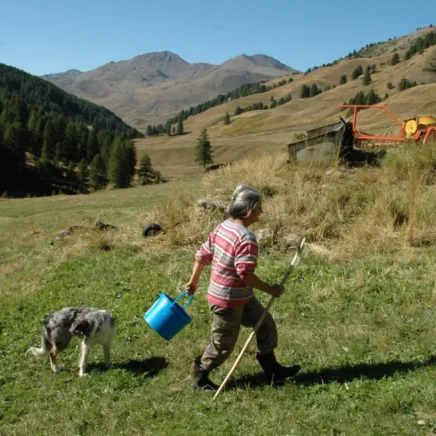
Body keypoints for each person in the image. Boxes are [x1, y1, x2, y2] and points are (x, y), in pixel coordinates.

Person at [185, 184, 300, 391]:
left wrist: (194, 281)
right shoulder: (246, 238)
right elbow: (245, 274)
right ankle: (199, 374)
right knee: (222, 345)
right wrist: (271, 290)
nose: (261, 212)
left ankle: (272, 369)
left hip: (241, 296)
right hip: (227, 301)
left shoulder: (224, 226)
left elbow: (202, 255)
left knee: (264, 324)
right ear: (249, 210)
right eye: (259, 208)